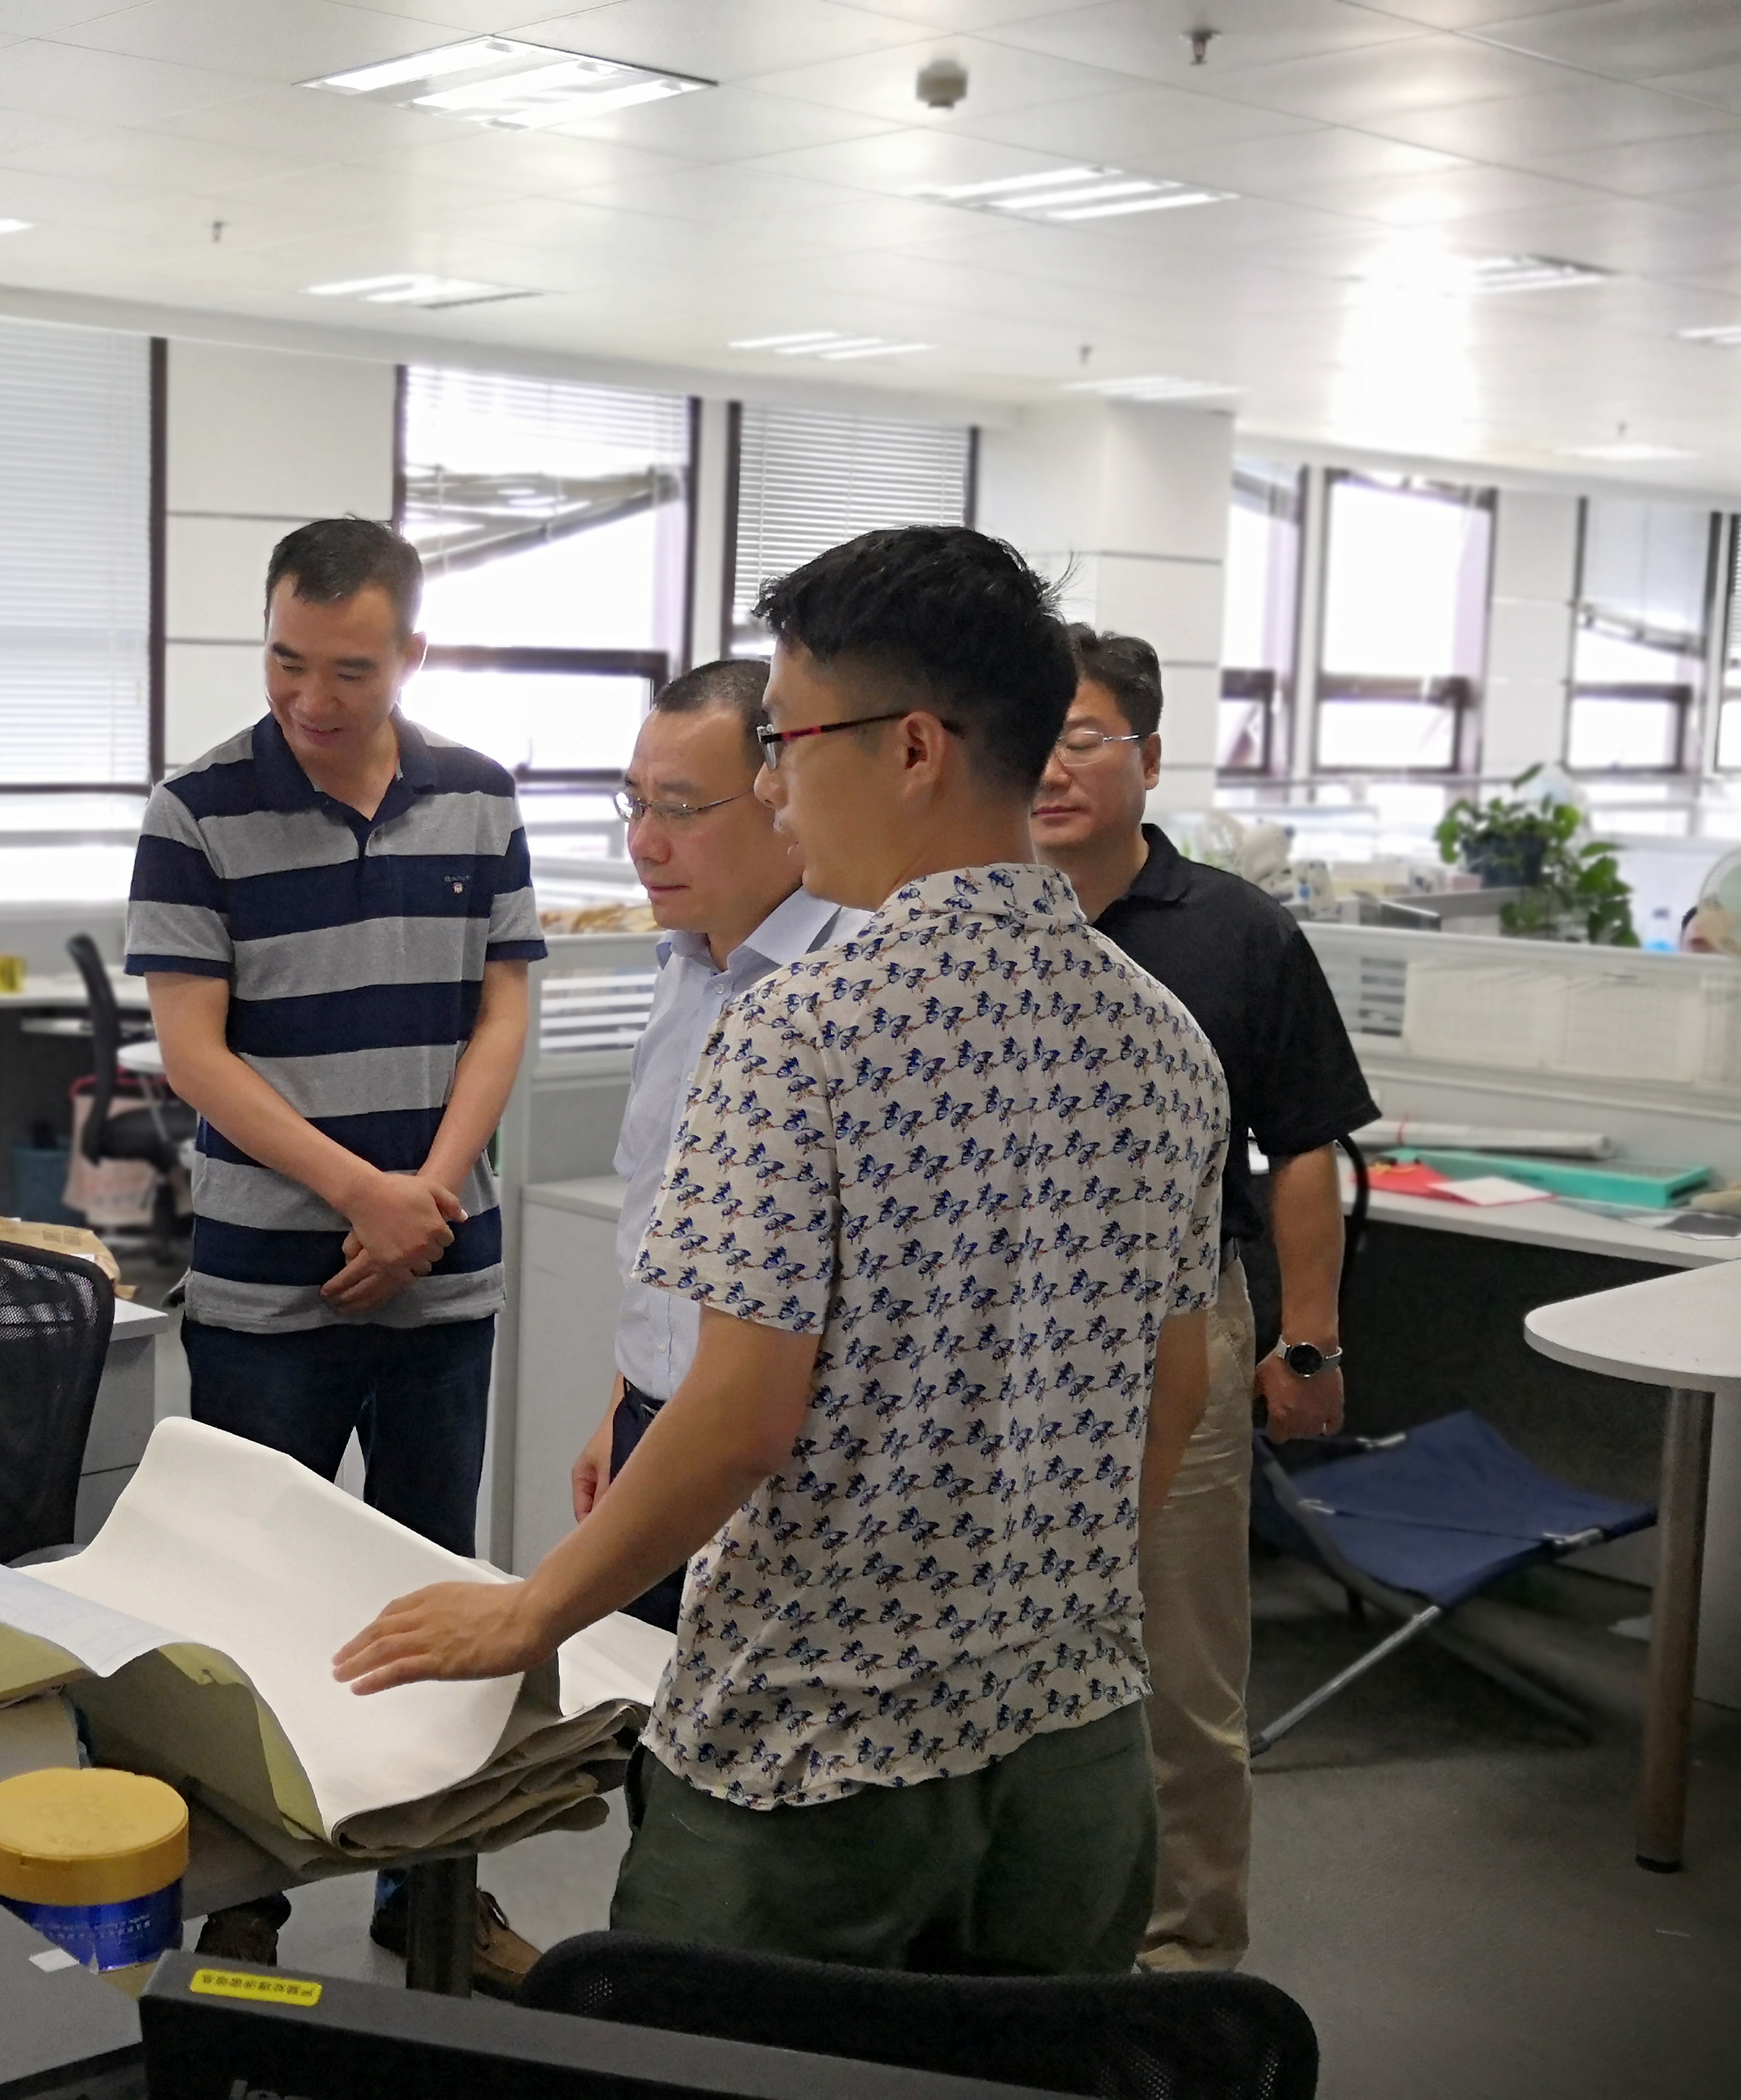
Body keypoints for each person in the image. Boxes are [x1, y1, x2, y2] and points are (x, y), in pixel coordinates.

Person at [333, 526, 1229, 1980]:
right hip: (1073, 1749)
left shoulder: (802, 1028)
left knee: (724, 2068)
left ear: (915, 748)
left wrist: (529, 1610)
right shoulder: (1165, 1038)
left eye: (791, 743)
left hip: (816, 1759)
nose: (773, 786)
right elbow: (1172, 1389)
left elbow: (744, 1416)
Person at [126, 515, 543, 1987]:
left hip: (444, 1273)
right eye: (287, 660)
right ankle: (245, 1898)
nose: (311, 696)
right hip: (265, 1287)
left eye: (349, 670)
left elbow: (502, 1010)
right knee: (249, 1602)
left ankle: (431, 1888)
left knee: (440, 1598)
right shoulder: (197, 810)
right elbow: (195, 1050)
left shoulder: (479, 798)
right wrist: (365, 1193)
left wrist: (420, 1197)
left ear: (412, 654)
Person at [1035, 626, 1379, 1972]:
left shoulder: (1237, 931)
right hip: (1003, 1333)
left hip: (1179, 1321)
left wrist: (1309, 1341)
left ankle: (1183, 1969)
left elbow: (1302, 1150)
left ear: (1150, 757)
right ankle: (1025, 1957)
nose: (1054, 767)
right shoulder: (970, 915)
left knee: (1180, 1676)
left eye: (1085, 738)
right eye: (1036, 736)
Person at [575, 657, 860, 1632]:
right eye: (635, 802)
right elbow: (656, 1215)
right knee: (633, 1701)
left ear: (783, 797)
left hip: (783, 1468)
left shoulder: (855, 991)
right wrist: (628, 1400)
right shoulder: (686, 966)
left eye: (683, 809)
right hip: (652, 1431)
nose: (644, 843)